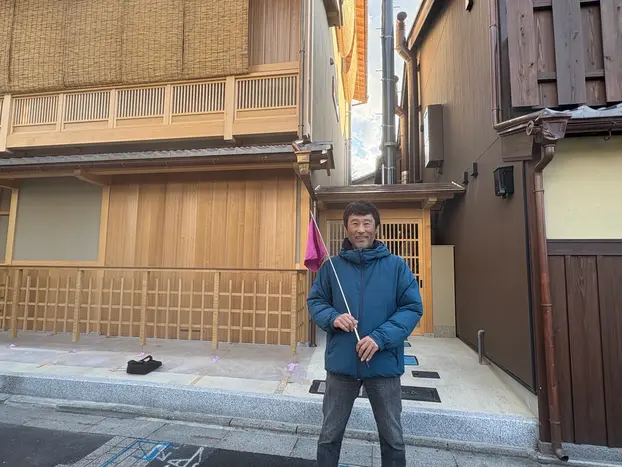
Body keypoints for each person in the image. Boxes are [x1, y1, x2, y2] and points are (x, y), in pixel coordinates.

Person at [307, 200, 423, 467]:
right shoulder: (331, 268)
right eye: (355, 223)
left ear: (376, 227)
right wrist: (333, 317)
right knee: (329, 435)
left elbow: (411, 308)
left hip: (383, 365)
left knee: (392, 437)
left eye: (367, 223)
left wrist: (380, 338)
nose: (361, 229)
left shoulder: (396, 266)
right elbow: (316, 302)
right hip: (342, 364)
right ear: (346, 228)